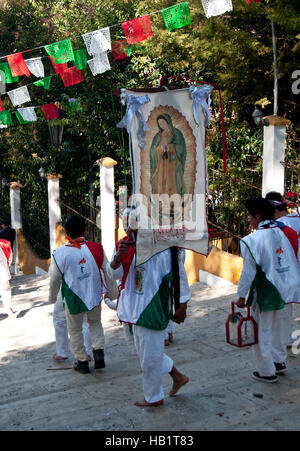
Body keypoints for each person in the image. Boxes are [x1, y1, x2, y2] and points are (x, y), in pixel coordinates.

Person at [106, 208, 190, 407]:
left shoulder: (164, 248)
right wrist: (118, 257)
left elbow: (180, 277)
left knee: (148, 357)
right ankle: (178, 377)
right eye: (128, 228)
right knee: (148, 353)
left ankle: (154, 397)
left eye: (134, 229)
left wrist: (182, 305)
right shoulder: (124, 245)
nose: (130, 233)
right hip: (131, 310)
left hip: (152, 308)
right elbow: (113, 274)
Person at [236, 197, 300, 383]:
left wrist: (241, 295)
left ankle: (266, 371)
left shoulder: (251, 240)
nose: (247, 218)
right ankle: (279, 362)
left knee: (262, 330)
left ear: (257, 215)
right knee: (282, 325)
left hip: (267, 290)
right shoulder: (288, 231)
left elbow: (248, 272)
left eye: (249, 214)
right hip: (289, 285)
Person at [48, 215, 118, 374]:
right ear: (85, 230)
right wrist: (113, 292)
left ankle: (81, 361)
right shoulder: (96, 248)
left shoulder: (60, 253)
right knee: (95, 324)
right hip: (93, 295)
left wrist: (52, 298)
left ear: (66, 232)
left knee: (75, 330)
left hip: (73, 299)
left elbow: (54, 279)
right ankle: (98, 352)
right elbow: (108, 272)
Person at [266, 191, 300, 348]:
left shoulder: (281, 226)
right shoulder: (297, 219)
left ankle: (284, 339)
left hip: (290, 269)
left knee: (285, 307)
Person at [0, 238, 13, 317]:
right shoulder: (5, 243)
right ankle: (8, 308)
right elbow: (10, 258)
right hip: (3, 271)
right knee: (6, 290)